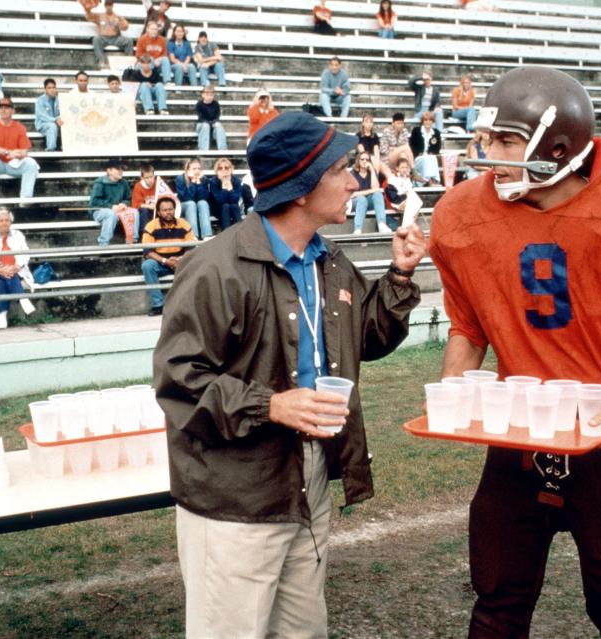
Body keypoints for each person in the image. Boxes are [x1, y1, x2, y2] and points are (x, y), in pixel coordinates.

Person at [428, 66, 601, 639]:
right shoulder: (462, 212)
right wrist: (456, 391)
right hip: (520, 436)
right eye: (487, 138)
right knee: (497, 604)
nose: (489, 155)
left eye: (506, 141)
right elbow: (468, 327)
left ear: (558, 149)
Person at [153, 111, 425, 639]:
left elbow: (363, 341)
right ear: (301, 188)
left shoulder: (330, 262)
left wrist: (399, 276)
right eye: (340, 169)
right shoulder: (216, 267)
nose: (354, 181)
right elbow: (179, 379)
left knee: (303, 631)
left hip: (310, 479)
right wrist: (271, 405)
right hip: (237, 493)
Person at [0, 207, 36, 329]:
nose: (5, 223)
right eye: (1, 220)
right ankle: (22, 298)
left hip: (16, 270)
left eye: (7, 220)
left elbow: (25, 253)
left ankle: (2, 314)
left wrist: (16, 266)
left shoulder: (18, 234)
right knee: (4, 276)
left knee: (3, 280)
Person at [141, 195, 194, 316]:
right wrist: (165, 261)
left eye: (170, 209)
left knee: (194, 263)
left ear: (174, 210)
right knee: (147, 266)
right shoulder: (151, 226)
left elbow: (191, 248)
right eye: (164, 210)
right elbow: (147, 251)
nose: (168, 212)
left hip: (180, 261)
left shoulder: (184, 224)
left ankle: (185, 305)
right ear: (158, 212)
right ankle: (158, 305)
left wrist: (180, 259)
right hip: (161, 262)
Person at [0, 96, 40, 200]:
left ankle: (25, 198)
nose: (3, 110)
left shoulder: (20, 127)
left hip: (14, 164)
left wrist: (18, 153)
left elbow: (25, 151)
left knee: (31, 163)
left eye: (6, 107)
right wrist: (8, 152)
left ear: (13, 110)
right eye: (0, 107)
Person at [89, 157, 135, 245]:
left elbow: (129, 199)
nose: (121, 171)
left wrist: (124, 203)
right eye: (118, 169)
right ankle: (103, 244)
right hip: (99, 211)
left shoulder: (124, 183)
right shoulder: (100, 183)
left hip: (119, 210)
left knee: (134, 212)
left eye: (122, 169)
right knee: (111, 214)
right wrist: (111, 206)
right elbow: (94, 201)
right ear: (109, 171)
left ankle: (132, 241)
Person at [350, 151, 391, 234]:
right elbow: (353, 194)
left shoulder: (371, 172)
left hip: (368, 201)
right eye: (362, 159)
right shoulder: (352, 173)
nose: (365, 161)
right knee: (362, 199)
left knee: (378, 194)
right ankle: (358, 229)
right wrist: (371, 191)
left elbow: (376, 188)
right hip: (355, 202)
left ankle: (382, 224)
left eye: (367, 159)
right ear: (358, 160)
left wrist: (372, 170)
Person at [207, 158, 252, 231]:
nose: (224, 170)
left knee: (234, 206)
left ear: (231, 169)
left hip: (233, 207)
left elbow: (235, 200)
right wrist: (224, 188)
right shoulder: (213, 182)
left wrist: (230, 188)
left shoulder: (236, 180)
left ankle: (240, 232)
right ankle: (227, 233)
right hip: (218, 209)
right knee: (225, 206)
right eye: (220, 168)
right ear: (217, 171)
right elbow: (220, 200)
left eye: (226, 168)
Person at [85, 0, 133, 67]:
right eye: (107, 5)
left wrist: (122, 20)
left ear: (112, 6)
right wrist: (87, 10)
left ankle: (129, 61)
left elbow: (125, 27)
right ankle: (101, 60)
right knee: (96, 39)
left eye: (110, 5)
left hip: (116, 38)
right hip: (103, 38)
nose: (109, 7)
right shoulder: (99, 16)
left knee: (129, 41)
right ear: (105, 6)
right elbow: (89, 17)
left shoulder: (117, 17)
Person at [176, 158, 212, 239]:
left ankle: (206, 234)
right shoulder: (180, 179)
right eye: (194, 168)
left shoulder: (204, 179)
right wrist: (192, 182)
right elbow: (186, 197)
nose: (197, 171)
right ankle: (192, 235)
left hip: (197, 205)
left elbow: (204, 197)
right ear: (188, 169)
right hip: (184, 205)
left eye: (199, 168)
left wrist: (199, 182)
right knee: (191, 204)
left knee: (203, 203)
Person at [410, 111, 442, 185]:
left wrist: (430, 154)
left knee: (431, 158)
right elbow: (412, 146)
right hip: (418, 158)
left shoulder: (436, 133)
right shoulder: (416, 131)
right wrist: (420, 154)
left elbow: (437, 148)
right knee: (427, 158)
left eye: (430, 120)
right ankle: (429, 181)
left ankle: (432, 181)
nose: (428, 122)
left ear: (433, 121)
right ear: (422, 121)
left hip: (430, 158)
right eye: (426, 120)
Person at [135, 20, 172, 84]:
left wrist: (159, 59)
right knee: (138, 66)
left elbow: (164, 54)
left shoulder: (162, 40)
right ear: (147, 29)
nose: (154, 31)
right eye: (152, 29)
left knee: (165, 60)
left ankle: (167, 81)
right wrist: (151, 60)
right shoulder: (141, 39)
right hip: (146, 63)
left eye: (156, 29)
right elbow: (138, 55)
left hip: (158, 64)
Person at [195, 84, 227, 151]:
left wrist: (214, 122)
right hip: (202, 124)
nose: (209, 97)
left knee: (219, 125)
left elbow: (218, 115)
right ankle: (203, 149)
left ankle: (223, 149)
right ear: (203, 95)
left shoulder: (216, 104)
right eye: (207, 95)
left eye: (211, 95)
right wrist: (209, 123)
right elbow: (200, 117)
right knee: (205, 126)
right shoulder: (199, 104)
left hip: (213, 124)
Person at [34, 78, 62, 152]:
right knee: (52, 126)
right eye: (49, 88)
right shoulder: (40, 100)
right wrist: (55, 120)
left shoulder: (58, 99)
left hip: (56, 123)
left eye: (53, 87)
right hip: (43, 124)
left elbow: (61, 113)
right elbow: (41, 115)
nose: (52, 90)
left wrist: (59, 119)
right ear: (45, 89)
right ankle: (50, 149)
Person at [132, 163, 159, 230]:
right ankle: (144, 233)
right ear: (142, 178)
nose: (150, 179)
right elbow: (137, 204)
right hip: (144, 210)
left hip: (156, 208)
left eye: (151, 177)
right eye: (147, 178)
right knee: (145, 211)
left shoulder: (158, 184)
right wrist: (149, 206)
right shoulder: (138, 186)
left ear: (154, 176)